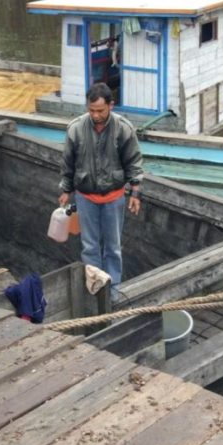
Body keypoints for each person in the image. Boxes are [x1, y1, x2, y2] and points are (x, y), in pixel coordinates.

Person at [59, 82, 143, 298]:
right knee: (89, 246)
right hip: (85, 197)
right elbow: (67, 162)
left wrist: (135, 192)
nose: (95, 115)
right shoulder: (76, 128)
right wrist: (66, 190)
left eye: (100, 110)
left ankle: (113, 290)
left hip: (114, 197)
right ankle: (94, 288)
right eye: (91, 110)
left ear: (111, 106)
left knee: (113, 247)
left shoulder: (123, 128)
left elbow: (133, 161)